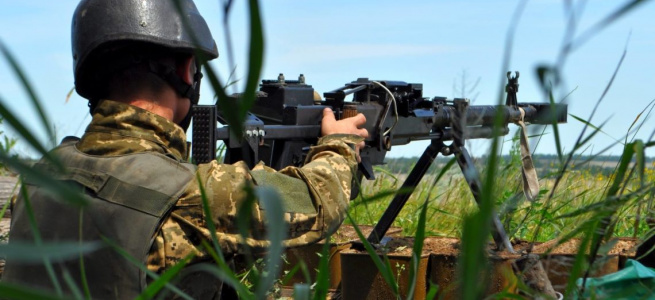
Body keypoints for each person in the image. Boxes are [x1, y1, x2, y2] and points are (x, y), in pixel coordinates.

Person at [2, 0, 368, 299]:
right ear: (187, 69)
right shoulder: (196, 196)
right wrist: (340, 143)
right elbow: (318, 201)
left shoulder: (39, 179)